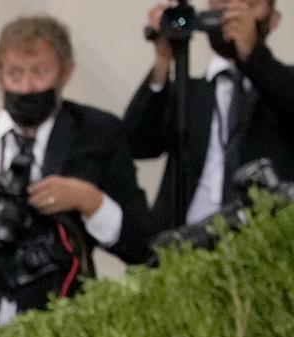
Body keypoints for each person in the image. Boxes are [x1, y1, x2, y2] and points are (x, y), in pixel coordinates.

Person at [0, 15, 155, 332]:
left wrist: (90, 201)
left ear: (65, 72)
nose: (26, 87)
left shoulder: (96, 136)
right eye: (15, 74)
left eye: (40, 73)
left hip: (60, 320)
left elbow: (142, 245)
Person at [126, 0, 294, 231]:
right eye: (224, 2)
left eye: (250, 3)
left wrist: (253, 55)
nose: (234, 11)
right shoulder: (189, 91)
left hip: (260, 240)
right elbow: (138, 144)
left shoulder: (282, 85)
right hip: (184, 238)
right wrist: (163, 60)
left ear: (273, 20)